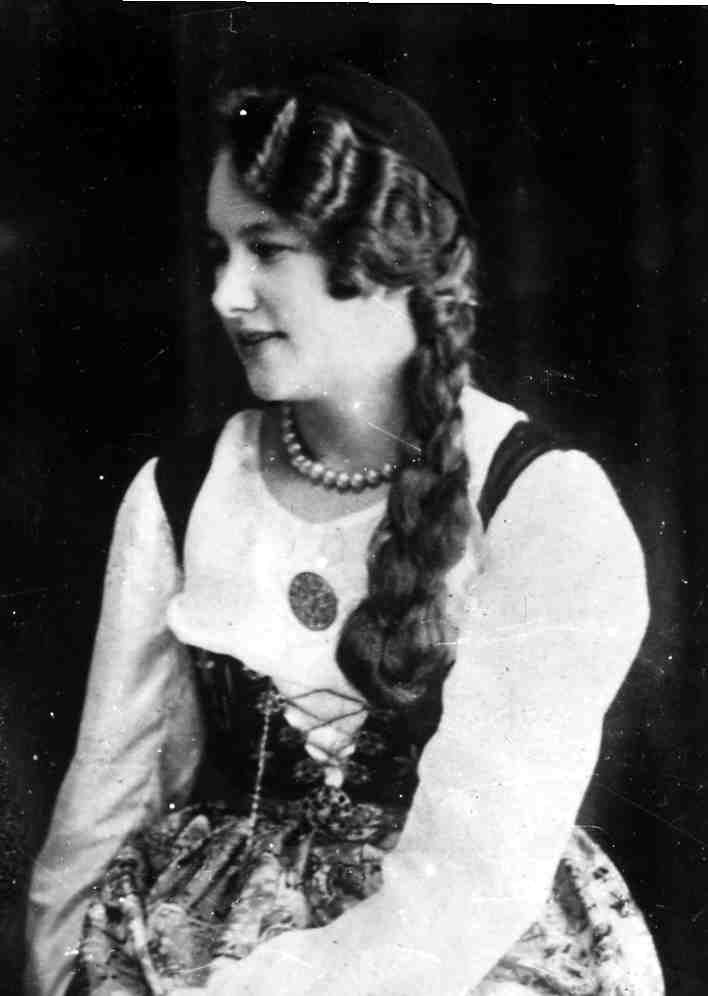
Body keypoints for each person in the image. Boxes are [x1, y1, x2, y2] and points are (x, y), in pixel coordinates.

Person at [26, 62, 664, 996]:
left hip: (455, 954)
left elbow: (475, 881)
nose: (226, 295)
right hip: (195, 940)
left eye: (267, 249)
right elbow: (103, 805)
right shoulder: (182, 493)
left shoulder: (542, 503)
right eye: (218, 253)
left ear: (383, 253)